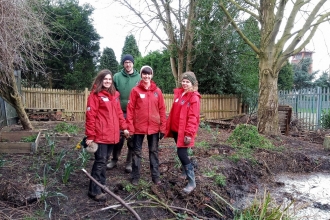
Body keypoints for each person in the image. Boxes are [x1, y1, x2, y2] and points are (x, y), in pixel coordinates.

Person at [85, 69, 129, 202]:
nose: (108, 81)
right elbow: (90, 116)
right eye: (105, 79)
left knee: (104, 161)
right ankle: (94, 191)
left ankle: (101, 185)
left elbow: (119, 114)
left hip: (111, 134)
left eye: (110, 79)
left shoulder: (114, 95)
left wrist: (125, 127)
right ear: (100, 80)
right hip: (100, 135)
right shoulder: (95, 95)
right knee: (100, 162)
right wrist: (90, 136)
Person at [126, 65, 167, 185]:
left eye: (149, 74)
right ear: (141, 75)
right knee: (137, 152)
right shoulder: (135, 91)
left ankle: (155, 177)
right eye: (144, 74)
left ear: (152, 75)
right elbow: (130, 110)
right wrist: (131, 128)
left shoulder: (157, 91)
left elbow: (162, 110)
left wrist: (162, 127)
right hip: (138, 127)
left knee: (153, 151)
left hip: (154, 128)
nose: (146, 76)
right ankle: (135, 176)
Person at [165, 71, 201, 194]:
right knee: (182, 152)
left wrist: (189, 134)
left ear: (193, 83)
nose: (185, 83)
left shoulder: (194, 97)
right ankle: (185, 173)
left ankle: (192, 182)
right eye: (183, 81)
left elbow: (193, 117)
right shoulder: (180, 94)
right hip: (176, 130)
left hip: (184, 132)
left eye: (187, 82)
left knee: (181, 154)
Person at [107, 54, 141, 173]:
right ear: (123, 64)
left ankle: (128, 163)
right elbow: (111, 93)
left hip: (134, 114)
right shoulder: (116, 77)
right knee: (118, 138)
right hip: (119, 112)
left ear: (133, 63)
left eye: (130, 62)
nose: (128, 64)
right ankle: (114, 160)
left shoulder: (139, 78)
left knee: (131, 138)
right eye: (125, 62)